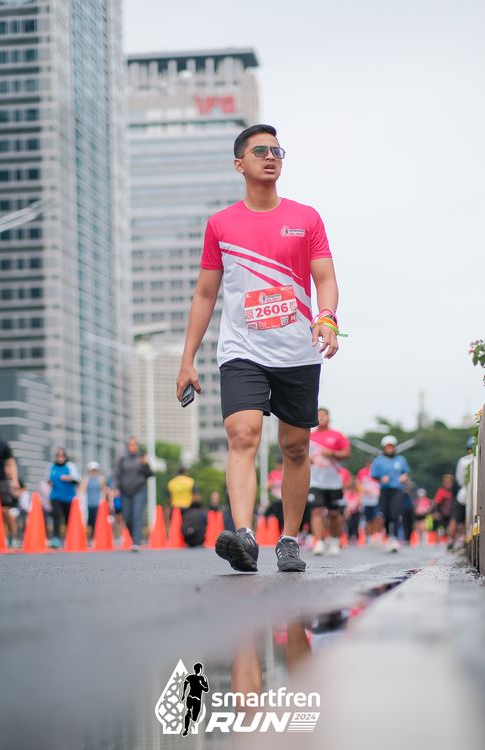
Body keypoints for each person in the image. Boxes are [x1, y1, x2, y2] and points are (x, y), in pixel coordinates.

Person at [176, 123, 340, 573]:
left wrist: (327, 317)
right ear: (239, 164)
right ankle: (245, 536)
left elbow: (325, 277)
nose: (271, 157)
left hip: (297, 349)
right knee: (243, 434)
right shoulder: (221, 224)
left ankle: (288, 539)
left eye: (277, 151)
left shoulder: (306, 218)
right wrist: (187, 360)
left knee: (295, 447)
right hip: (242, 349)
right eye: (260, 151)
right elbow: (205, 294)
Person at [308, 408, 351, 556]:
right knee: (316, 511)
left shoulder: (337, 435)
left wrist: (332, 453)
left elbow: (347, 453)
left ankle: (334, 540)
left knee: (334, 514)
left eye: (323, 415)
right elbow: (302, 455)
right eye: (318, 415)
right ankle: (319, 541)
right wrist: (309, 460)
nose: (321, 418)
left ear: (328, 417)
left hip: (333, 483)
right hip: (316, 482)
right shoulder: (310, 437)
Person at [370, 436, 410, 552]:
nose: (389, 449)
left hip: (397, 490)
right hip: (384, 490)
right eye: (387, 446)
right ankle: (388, 536)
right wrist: (381, 479)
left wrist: (404, 477)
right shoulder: (378, 460)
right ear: (384, 448)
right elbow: (374, 475)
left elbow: (406, 472)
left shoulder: (401, 459)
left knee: (395, 514)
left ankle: (395, 538)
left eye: (391, 446)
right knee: (386, 515)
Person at [114, 437, 153, 552]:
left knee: (137, 515)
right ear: (128, 446)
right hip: (125, 491)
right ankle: (134, 537)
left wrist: (145, 464)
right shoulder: (122, 459)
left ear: (137, 446)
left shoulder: (141, 458)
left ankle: (136, 542)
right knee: (127, 517)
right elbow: (117, 475)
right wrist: (115, 488)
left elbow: (150, 474)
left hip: (139, 490)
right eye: (131, 444)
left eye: (135, 444)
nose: (133, 446)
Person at [46, 448, 80, 548]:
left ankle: (70, 538)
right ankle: (56, 538)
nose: (60, 458)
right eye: (58, 456)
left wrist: (69, 478)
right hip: (56, 496)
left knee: (68, 518)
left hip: (68, 497)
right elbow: (47, 480)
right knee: (56, 516)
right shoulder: (51, 467)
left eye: (62, 456)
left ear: (65, 457)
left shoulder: (70, 466)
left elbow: (77, 479)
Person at [448, 437, 474, 550]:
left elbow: (459, 479)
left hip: (463, 494)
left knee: (456, 518)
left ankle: (451, 541)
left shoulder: (463, 461)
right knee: (465, 519)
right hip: (470, 495)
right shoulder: (476, 460)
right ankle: (463, 539)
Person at [78, 462, 107, 538]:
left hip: (97, 504)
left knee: (96, 520)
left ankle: (95, 536)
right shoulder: (86, 479)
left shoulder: (100, 479)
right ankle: (89, 536)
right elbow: (82, 490)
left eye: (95, 470)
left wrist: (104, 501)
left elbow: (104, 490)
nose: (93, 472)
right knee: (88, 521)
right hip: (88, 504)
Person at [356, 460, 381, 544]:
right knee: (368, 519)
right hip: (366, 501)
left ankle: (377, 535)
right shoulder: (362, 472)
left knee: (377, 518)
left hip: (376, 500)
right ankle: (369, 536)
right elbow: (358, 484)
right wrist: (363, 491)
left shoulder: (377, 473)